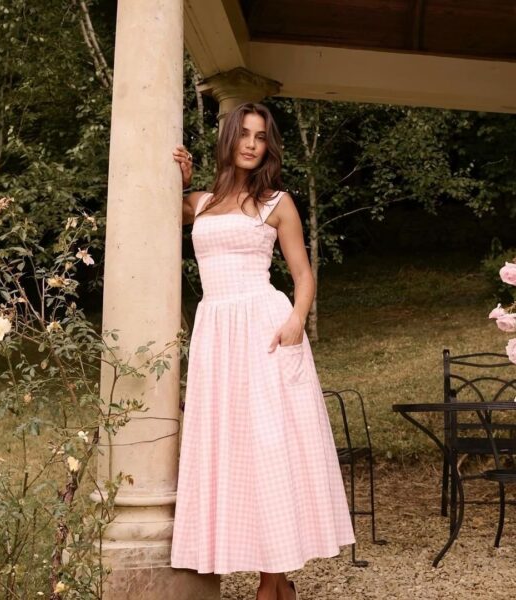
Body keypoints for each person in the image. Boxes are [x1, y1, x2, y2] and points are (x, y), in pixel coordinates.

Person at [170, 102, 354, 600]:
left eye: (260, 136)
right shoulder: (200, 203)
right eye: (244, 134)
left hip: (264, 329)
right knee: (232, 449)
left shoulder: (277, 203)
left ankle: (270, 585)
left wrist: (296, 321)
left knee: (271, 448)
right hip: (216, 333)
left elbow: (303, 275)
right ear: (229, 140)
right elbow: (155, 206)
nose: (252, 144)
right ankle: (276, 582)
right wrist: (180, 181)